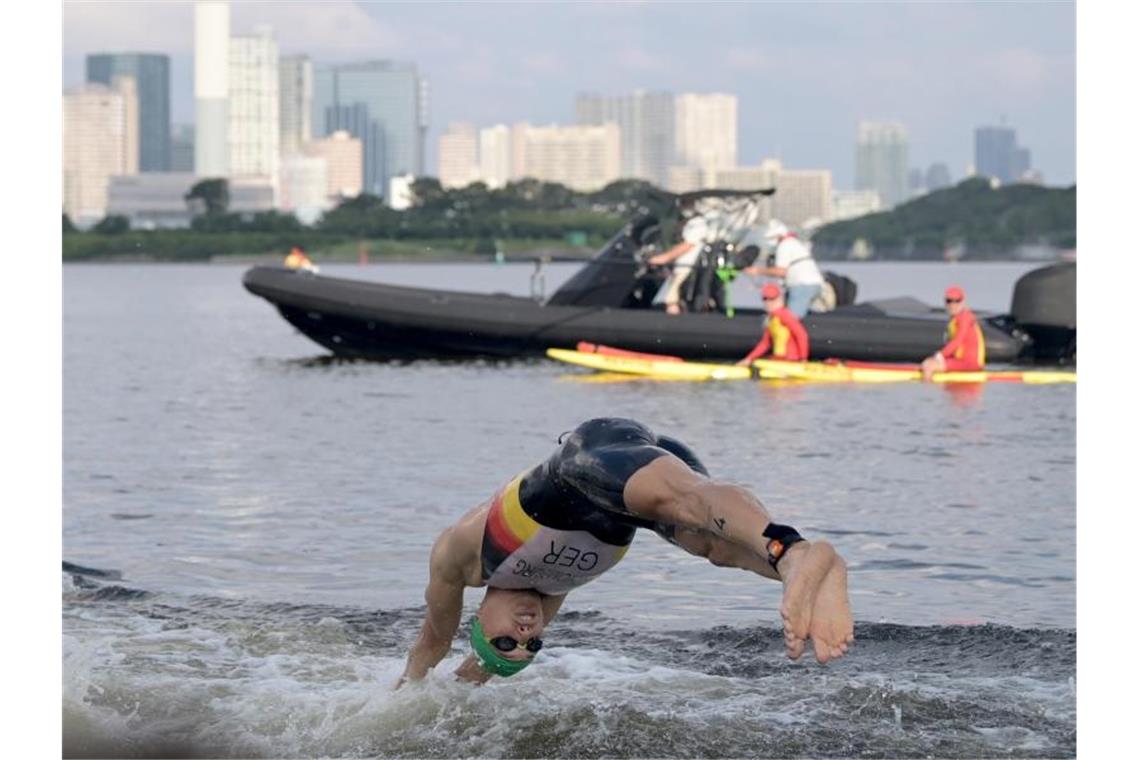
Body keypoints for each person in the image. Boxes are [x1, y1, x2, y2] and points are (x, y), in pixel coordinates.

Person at [398, 417, 854, 686]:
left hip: (590, 458)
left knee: (690, 500)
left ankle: (792, 551)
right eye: (532, 644)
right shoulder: (547, 596)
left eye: (505, 641)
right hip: (630, 504)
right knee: (711, 546)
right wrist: (467, 690)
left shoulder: (464, 556)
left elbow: (432, 643)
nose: (526, 631)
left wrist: (402, 705)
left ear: (476, 624)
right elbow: (478, 675)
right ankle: (800, 573)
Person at [745, 219, 825, 319]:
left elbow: (781, 271)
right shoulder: (793, 243)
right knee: (787, 316)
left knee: (788, 320)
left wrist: (757, 270)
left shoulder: (784, 245)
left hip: (802, 286)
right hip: (813, 284)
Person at [921, 285, 986, 381]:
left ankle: (926, 390)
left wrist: (940, 356)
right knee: (928, 362)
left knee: (928, 366)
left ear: (963, 302)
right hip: (960, 360)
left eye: (957, 301)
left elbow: (957, 341)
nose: (953, 305)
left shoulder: (965, 318)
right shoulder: (956, 319)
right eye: (949, 301)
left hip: (970, 363)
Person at [736, 282, 811, 365]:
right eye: (765, 299)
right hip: (779, 360)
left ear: (779, 299)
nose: (768, 303)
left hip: (792, 360)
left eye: (772, 299)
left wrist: (803, 359)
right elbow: (765, 343)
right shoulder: (772, 319)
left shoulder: (785, 315)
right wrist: (748, 359)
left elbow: (802, 335)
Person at [648, 216, 710, 315]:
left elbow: (688, 244)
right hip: (680, 269)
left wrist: (664, 258)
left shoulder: (699, 223)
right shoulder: (685, 221)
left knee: (671, 299)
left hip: (688, 270)